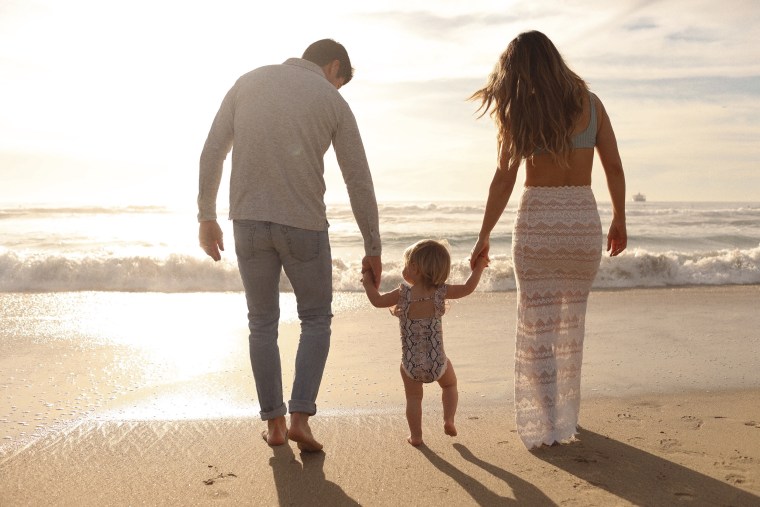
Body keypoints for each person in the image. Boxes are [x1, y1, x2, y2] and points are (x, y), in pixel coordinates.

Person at [197, 39, 382, 452]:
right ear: (334, 67)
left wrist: (205, 216)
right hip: (304, 226)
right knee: (315, 319)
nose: (338, 90)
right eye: (341, 82)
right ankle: (301, 418)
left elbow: (213, 151)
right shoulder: (331, 102)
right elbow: (358, 179)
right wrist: (373, 245)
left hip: (247, 222)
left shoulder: (247, 82)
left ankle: (275, 426)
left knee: (261, 323)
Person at [468, 31, 627, 449]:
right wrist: (619, 219)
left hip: (538, 221)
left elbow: (504, 179)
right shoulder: (591, 105)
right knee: (569, 323)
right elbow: (613, 166)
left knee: (538, 325)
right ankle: (567, 418)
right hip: (581, 221)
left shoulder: (520, 111)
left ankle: (549, 420)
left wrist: (483, 235)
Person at [361, 239, 488, 446]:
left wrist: (367, 280)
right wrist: (480, 266)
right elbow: (468, 287)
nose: (403, 269)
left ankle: (417, 436)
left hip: (411, 363)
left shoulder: (403, 294)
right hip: (437, 361)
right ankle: (448, 419)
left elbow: (377, 301)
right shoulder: (440, 292)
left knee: (413, 399)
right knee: (450, 385)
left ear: (415, 268)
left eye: (405, 264)